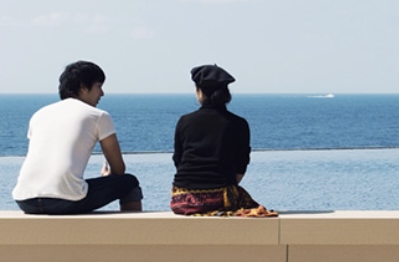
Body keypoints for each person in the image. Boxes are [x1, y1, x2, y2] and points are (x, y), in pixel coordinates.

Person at [12, 61, 144, 215]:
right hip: (64, 201)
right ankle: (131, 236)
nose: (102, 93)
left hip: (25, 200)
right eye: (99, 86)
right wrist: (108, 178)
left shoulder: (39, 115)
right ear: (83, 87)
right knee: (129, 182)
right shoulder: (98, 116)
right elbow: (119, 169)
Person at [170, 64, 276, 217]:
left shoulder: (184, 121)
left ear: (200, 92)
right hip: (221, 198)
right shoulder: (238, 123)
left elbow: (178, 160)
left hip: (181, 199)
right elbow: (241, 165)